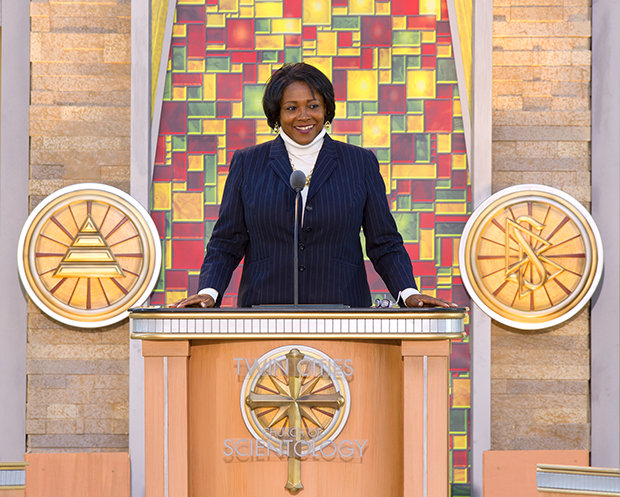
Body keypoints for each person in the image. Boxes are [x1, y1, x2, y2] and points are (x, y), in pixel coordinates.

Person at [170, 63, 455, 309]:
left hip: (344, 313)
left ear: (326, 109)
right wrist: (208, 292)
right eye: (291, 108)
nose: (304, 116)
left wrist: (408, 293)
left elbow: (384, 242)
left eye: (313, 106)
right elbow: (226, 242)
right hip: (263, 313)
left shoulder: (359, 163)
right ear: (276, 114)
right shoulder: (248, 163)